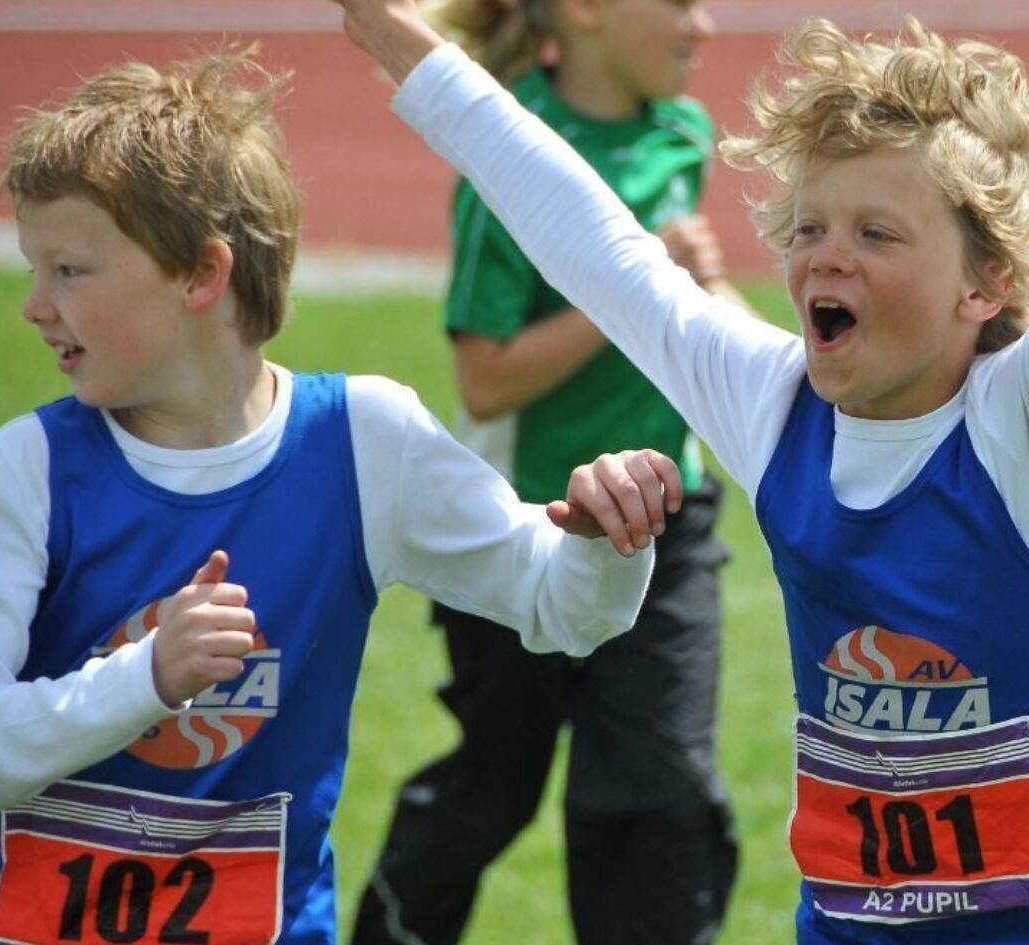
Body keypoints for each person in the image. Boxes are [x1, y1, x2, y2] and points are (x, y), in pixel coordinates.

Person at [332, 0, 1029, 940]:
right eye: (811, 226)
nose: (828, 255)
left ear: (982, 284)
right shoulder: (779, 405)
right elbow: (582, 232)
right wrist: (379, 23)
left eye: (878, 233)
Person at [0, 49, 679, 945]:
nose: (34, 305)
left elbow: (559, 607)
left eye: (69, 271)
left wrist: (605, 537)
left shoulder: (362, 440)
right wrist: (146, 676)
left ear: (202, 275)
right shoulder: (27, 468)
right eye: (36, 269)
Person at [349, 1, 741, 943]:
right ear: (590, 11)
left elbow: (693, 317)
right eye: (680, 3)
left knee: (661, 790)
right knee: (494, 789)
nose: (707, 24)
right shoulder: (512, 158)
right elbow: (486, 382)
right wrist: (641, 278)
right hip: (527, 525)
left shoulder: (683, 133)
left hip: (668, 522)